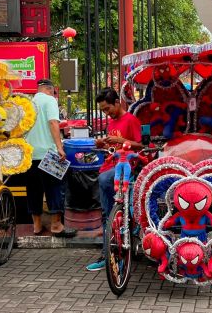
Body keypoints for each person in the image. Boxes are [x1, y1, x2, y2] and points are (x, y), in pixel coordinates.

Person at [86, 87, 142, 271]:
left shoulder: (131, 120)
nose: (106, 113)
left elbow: (140, 145)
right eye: (103, 110)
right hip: (111, 165)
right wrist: (103, 142)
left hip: (126, 167)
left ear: (117, 102)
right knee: (105, 213)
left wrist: (119, 141)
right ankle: (108, 251)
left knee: (103, 182)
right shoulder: (111, 122)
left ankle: (117, 223)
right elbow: (113, 142)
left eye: (107, 109)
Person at [24, 79, 76, 237]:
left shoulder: (28, 104)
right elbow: (53, 123)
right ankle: (56, 225)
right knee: (55, 189)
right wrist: (60, 148)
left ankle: (37, 226)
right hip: (48, 154)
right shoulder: (50, 100)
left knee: (33, 190)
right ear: (51, 90)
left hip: (29, 154)